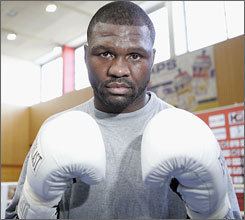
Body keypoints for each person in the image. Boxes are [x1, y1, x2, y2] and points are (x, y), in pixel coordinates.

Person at [5, 1, 241, 219]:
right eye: (105, 53)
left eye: (135, 55)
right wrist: (37, 205)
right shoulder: (56, 128)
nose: (118, 69)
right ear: (86, 55)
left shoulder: (188, 132)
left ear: (152, 59)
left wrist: (211, 211)